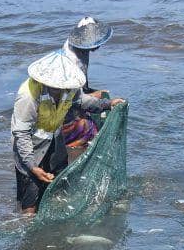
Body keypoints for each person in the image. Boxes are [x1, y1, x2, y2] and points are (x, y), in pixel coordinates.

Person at [12, 51, 125, 214]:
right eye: (59, 87)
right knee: (30, 196)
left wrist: (107, 104)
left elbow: (82, 101)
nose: (64, 89)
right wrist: (32, 166)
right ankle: (28, 230)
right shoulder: (28, 95)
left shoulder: (70, 88)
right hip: (31, 145)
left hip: (54, 137)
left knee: (58, 182)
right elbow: (21, 133)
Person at [61, 17, 115, 150]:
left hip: (68, 99)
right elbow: (76, 99)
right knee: (91, 130)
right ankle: (72, 149)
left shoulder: (78, 45)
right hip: (63, 113)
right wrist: (106, 104)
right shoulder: (73, 61)